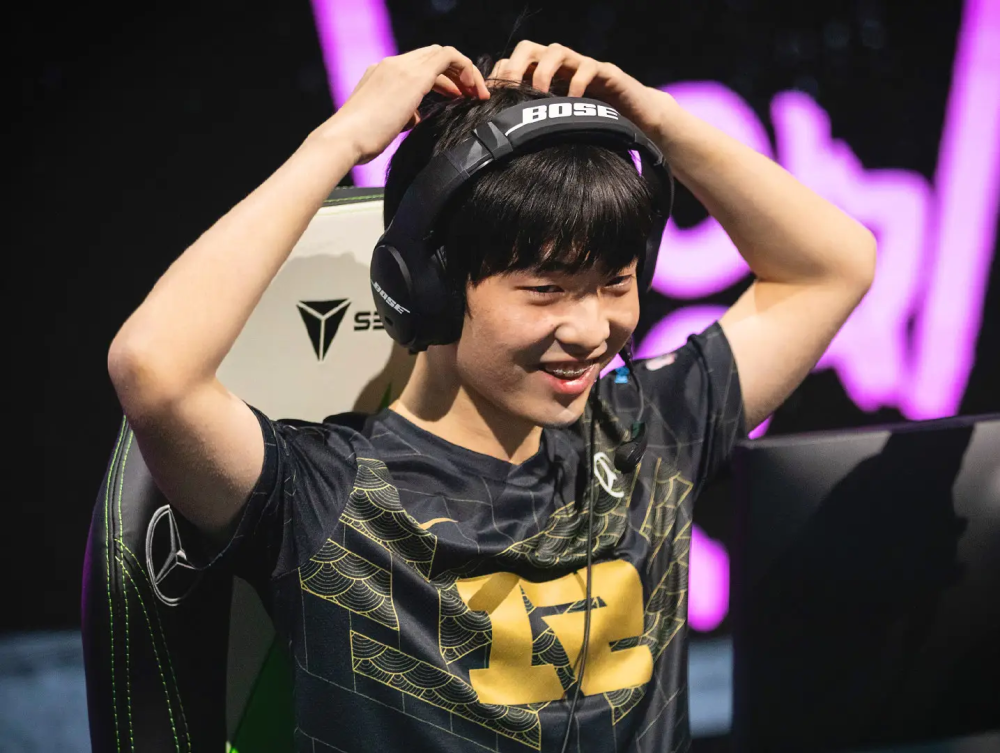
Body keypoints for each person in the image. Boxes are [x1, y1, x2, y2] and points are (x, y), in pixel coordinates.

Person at [108, 41, 876, 752]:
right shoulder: (322, 495)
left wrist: (658, 121)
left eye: (615, 282)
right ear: (429, 289)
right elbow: (153, 368)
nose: (592, 329)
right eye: (546, 290)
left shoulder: (652, 431)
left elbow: (834, 266)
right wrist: (337, 142)